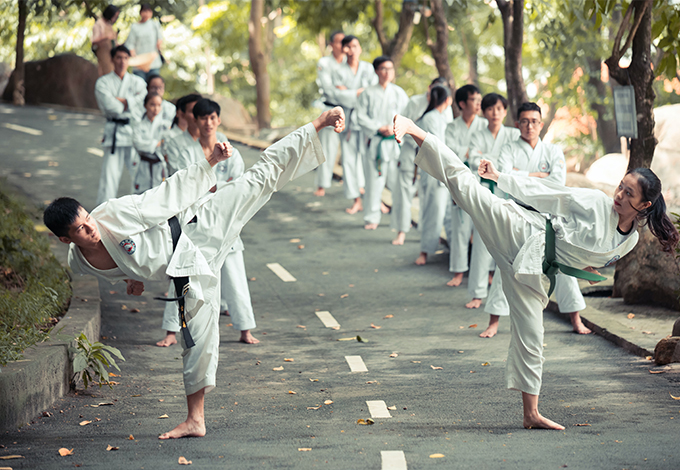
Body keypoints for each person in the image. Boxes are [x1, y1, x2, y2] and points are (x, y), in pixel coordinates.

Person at [43, 107, 345, 440]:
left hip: (198, 228)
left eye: (88, 220)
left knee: (260, 179)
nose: (91, 229)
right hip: (188, 270)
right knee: (197, 339)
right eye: (81, 230)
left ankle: (318, 122)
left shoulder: (110, 215)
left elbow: (163, 196)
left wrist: (211, 163)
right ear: (65, 239)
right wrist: (131, 276)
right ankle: (195, 420)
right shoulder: (79, 261)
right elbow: (122, 258)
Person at [393, 112, 678, 430]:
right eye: (621, 187)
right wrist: (501, 178)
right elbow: (552, 194)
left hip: (535, 271)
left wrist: (581, 266)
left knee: (532, 335)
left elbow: (590, 262)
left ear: (646, 206)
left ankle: (531, 414)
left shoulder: (631, 241)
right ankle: (415, 130)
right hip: (522, 232)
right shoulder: (598, 202)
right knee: (468, 190)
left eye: (629, 194)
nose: (619, 196)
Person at [155, 98, 259, 347]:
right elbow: (185, 183)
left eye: (213, 118)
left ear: (219, 120)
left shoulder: (230, 150)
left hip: (225, 221)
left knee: (235, 276)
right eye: (204, 118)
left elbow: (239, 186)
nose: (209, 122)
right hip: (195, 223)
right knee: (183, 273)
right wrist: (209, 188)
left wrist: (211, 187)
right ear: (195, 120)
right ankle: (171, 331)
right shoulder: (184, 149)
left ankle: (245, 328)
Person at [485, 102, 589, 336]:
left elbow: (556, 183)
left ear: (541, 124)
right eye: (524, 121)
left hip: (547, 216)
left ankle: (576, 318)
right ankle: (493, 321)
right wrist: (537, 177)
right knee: (506, 263)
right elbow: (503, 178)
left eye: (534, 121)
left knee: (561, 264)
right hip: (517, 213)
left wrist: (520, 177)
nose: (529, 126)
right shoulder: (508, 149)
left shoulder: (553, 151)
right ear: (517, 124)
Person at [464, 93, 520, 312]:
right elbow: (473, 160)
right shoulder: (477, 135)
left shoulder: (514, 134)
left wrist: (494, 164)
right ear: (484, 112)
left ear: (505, 111)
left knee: (509, 244)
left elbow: (513, 164)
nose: (495, 113)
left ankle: (510, 294)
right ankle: (477, 293)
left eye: (499, 108)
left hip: (508, 194)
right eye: (490, 109)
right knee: (481, 242)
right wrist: (501, 166)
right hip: (486, 193)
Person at [391, 76, 450, 246]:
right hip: (410, 151)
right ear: (429, 87)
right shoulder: (415, 102)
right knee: (404, 193)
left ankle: (424, 233)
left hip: (431, 158)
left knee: (428, 195)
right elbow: (401, 125)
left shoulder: (445, 109)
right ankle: (401, 231)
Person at [355, 56, 408, 230]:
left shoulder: (399, 93)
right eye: (384, 69)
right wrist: (379, 127)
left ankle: (400, 220)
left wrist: (394, 129)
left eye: (390, 69)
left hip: (395, 143)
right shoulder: (368, 93)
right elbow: (360, 117)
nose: (388, 72)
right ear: (377, 71)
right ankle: (371, 217)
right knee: (374, 182)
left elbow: (407, 117)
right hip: (376, 142)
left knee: (397, 183)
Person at [440, 85, 487, 273]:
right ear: (462, 103)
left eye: (479, 100)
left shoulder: (485, 125)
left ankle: (486, 272)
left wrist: (468, 153)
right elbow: (449, 155)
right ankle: (458, 271)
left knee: (484, 230)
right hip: (459, 180)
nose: (478, 103)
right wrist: (471, 152)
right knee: (460, 227)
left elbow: (484, 154)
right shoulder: (451, 127)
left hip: (482, 182)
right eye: (474, 100)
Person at [94, 45, 147, 206]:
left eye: (125, 58)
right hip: (114, 133)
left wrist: (122, 100)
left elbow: (143, 103)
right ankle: (104, 212)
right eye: (118, 57)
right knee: (109, 177)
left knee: (139, 173)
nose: (122, 61)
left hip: (133, 132)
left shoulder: (138, 82)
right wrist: (130, 102)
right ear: (112, 59)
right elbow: (112, 108)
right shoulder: (103, 82)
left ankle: (142, 208)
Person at [333, 35, 378, 214]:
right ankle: (356, 199)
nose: (352, 50)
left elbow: (373, 93)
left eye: (355, 46)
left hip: (367, 121)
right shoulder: (339, 71)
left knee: (370, 160)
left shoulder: (368, 68)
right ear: (343, 49)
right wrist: (358, 93)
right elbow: (339, 96)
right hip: (349, 121)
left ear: (360, 48)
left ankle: (373, 199)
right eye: (348, 47)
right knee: (350, 161)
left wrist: (352, 93)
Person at [414, 86, 453, 263]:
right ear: (447, 100)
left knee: (449, 213)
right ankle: (425, 251)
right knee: (434, 211)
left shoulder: (441, 117)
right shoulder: (429, 118)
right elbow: (438, 145)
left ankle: (455, 251)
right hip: (434, 170)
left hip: (447, 170)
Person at [312, 30, 346, 197]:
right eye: (339, 42)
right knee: (327, 149)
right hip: (330, 108)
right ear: (331, 44)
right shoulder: (324, 62)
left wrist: (346, 92)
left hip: (349, 110)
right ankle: (322, 185)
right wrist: (346, 92)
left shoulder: (350, 62)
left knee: (351, 150)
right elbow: (328, 88)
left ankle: (355, 186)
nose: (342, 45)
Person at [131, 92, 170, 194]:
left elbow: (167, 144)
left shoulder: (165, 126)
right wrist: (157, 143)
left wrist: (153, 143)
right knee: (140, 195)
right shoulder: (139, 126)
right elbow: (138, 144)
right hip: (143, 165)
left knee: (159, 195)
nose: (156, 108)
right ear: (145, 106)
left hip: (159, 165)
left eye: (159, 105)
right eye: (152, 104)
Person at [164, 93, 202, 175]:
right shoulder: (173, 141)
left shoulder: (215, 138)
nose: (197, 115)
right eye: (193, 111)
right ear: (182, 114)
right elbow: (179, 173)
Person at [125, 3, 164, 81]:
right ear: (140, 13)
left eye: (148, 11)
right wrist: (134, 57)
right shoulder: (135, 27)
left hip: (154, 62)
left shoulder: (154, 24)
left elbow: (159, 40)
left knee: (154, 84)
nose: (146, 14)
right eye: (144, 11)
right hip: (139, 63)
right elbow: (130, 44)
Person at [91, 4, 119, 77]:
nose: (116, 18)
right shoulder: (99, 24)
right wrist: (105, 37)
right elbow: (94, 41)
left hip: (112, 55)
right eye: (115, 16)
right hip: (104, 56)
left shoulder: (109, 25)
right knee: (107, 73)